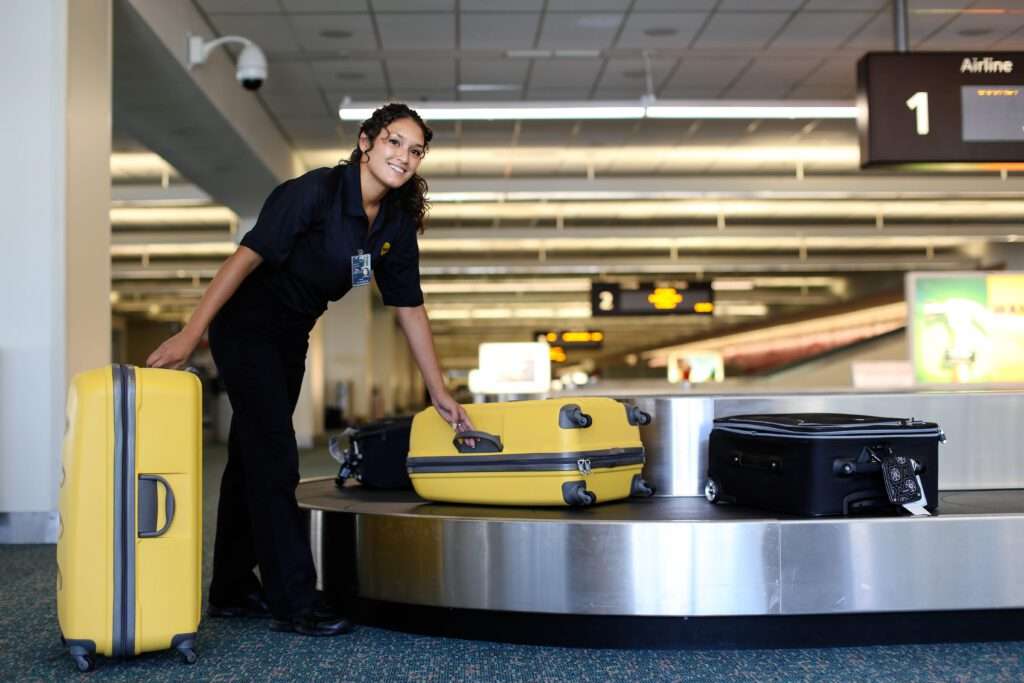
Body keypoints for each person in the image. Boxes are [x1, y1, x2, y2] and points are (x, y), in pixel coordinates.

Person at [147, 103, 474, 637]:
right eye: (394, 142)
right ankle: (296, 601)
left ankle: (229, 589)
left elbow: (409, 305)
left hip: (292, 333)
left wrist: (438, 389)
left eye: (415, 150)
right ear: (366, 141)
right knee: (276, 456)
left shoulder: (393, 221)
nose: (404, 157)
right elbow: (244, 258)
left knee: (251, 457)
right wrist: (191, 335)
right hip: (246, 326)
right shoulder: (315, 192)